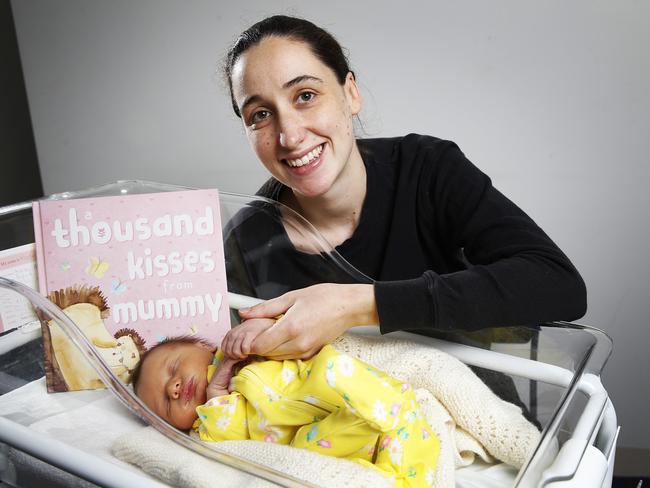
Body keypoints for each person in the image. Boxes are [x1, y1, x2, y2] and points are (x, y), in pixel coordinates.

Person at [219, 15, 587, 362]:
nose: (290, 135)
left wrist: (358, 305)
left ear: (350, 93)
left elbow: (559, 285)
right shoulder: (246, 239)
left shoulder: (426, 168)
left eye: (305, 95)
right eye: (260, 115)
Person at [133, 336, 440, 487]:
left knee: (334, 368)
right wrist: (215, 397)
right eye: (165, 402)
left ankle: (391, 410)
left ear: (202, 344)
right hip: (323, 434)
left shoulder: (242, 344)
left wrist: (253, 342)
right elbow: (231, 440)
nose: (173, 386)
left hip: (330, 389)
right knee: (317, 447)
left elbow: (296, 339)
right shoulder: (207, 428)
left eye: (173, 367)